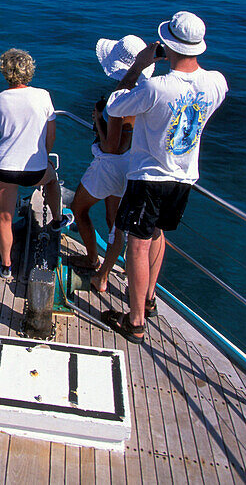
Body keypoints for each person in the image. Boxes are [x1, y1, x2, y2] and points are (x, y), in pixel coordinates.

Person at [100, 12, 228, 343]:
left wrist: (137, 66)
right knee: (157, 236)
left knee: (137, 246)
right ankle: (150, 299)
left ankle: (136, 321)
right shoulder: (217, 83)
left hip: (149, 178)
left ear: (166, 46)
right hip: (185, 177)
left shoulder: (157, 87)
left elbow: (114, 107)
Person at [65, 36, 156, 297]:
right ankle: (110, 271)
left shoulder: (122, 98)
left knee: (78, 209)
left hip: (108, 167)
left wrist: (98, 119)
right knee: (114, 222)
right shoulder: (146, 92)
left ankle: (93, 260)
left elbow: (111, 146)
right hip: (131, 165)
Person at [0, 49, 63, 279]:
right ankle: (57, 220)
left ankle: (6, 267)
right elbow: (51, 136)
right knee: (52, 178)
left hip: (4, 168)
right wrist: (43, 157)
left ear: (5, 72)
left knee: (4, 216)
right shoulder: (43, 96)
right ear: (29, 71)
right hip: (35, 170)